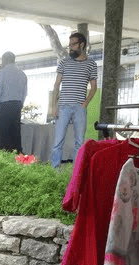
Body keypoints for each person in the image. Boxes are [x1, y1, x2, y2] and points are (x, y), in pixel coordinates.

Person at [50, 32, 97, 168]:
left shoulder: (91, 64)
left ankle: (76, 172)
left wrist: (85, 104)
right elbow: (56, 85)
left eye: (73, 44)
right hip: (63, 106)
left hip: (79, 108)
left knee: (79, 142)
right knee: (58, 141)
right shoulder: (64, 62)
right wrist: (54, 106)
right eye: (69, 44)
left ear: (81, 44)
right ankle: (55, 170)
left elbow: (94, 87)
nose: (70, 47)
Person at [0, 52, 27, 154]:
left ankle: (3, 159)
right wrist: (20, 105)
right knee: (15, 137)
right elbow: (24, 93)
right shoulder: (22, 74)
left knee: (2, 139)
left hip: (3, 107)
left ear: (4, 60)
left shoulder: (2, 73)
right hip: (16, 106)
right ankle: (17, 157)